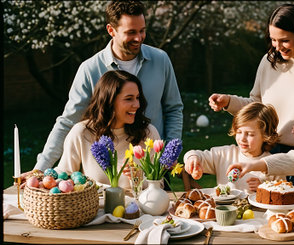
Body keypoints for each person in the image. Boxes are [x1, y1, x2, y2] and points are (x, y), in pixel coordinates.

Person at [23, 1, 183, 189]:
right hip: (104, 170)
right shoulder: (89, 69)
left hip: (152, 167)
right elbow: (68, 122)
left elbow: (174, 109)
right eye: (131, 32)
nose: (139, 38)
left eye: (142, 31)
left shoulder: (161, 60)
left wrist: (168, 157)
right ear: (111, 30)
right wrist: (40, 170)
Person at [208, 4, 294, 196]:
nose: (277, 46)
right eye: (273, 40)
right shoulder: (269, 61)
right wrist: (229, 102)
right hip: (269, 154)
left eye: (284, 40)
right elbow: (257, 107)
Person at [53, 70, 160, 189]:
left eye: (137, 97)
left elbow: (159, 185)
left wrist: (138, 179)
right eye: (129, 99)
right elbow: (63, 176)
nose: (137, 105)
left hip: (138, 207)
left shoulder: (148, 133)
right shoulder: (82, 133)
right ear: (109, 100)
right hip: (93, 207)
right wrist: (39, 176)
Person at [184, 102, 285, 193]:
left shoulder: (273, 164)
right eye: (239, 132)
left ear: (265, 135)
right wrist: (193, 158)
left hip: (258, 213)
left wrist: (264, 188)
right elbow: (197, 154)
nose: (242, 138)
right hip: (224, 211)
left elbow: (283, 194)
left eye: (250, 134)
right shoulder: (224, 154)